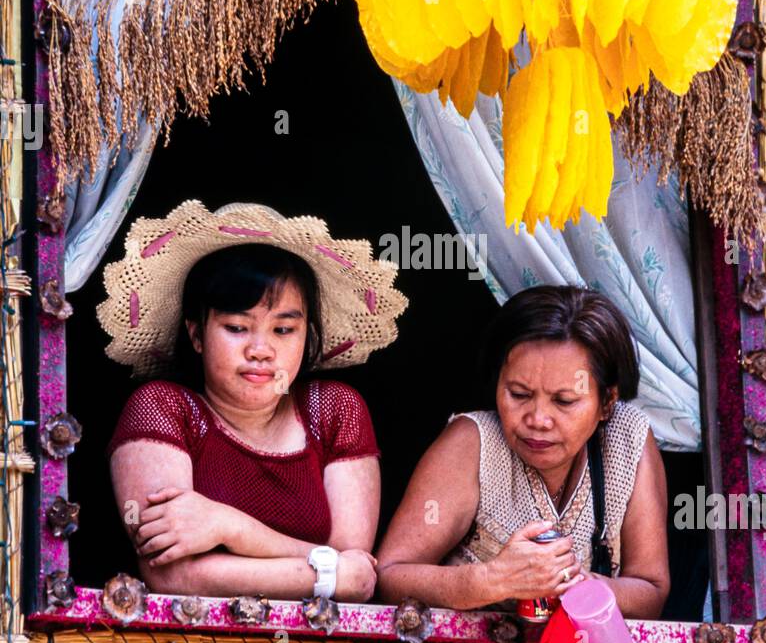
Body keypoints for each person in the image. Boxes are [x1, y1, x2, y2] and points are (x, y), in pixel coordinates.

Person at [100, 201, 406, 603]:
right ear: (196, 335)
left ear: (307, 335)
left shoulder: (334, 410)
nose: (261, 350)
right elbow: (175, 576)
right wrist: (327, 571)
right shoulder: (162, 409)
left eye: (283, 329)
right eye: (237, 327)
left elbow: (355, 571)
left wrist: (229, 526)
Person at [377, 285, 669, 616]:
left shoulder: (627, 439)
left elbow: (651, 589)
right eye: (518, 394)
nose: (538, 420)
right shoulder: (472, 444)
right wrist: (489, 580)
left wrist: (578, 585)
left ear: (606, 402)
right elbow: (390, 577)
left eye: (564, 401)